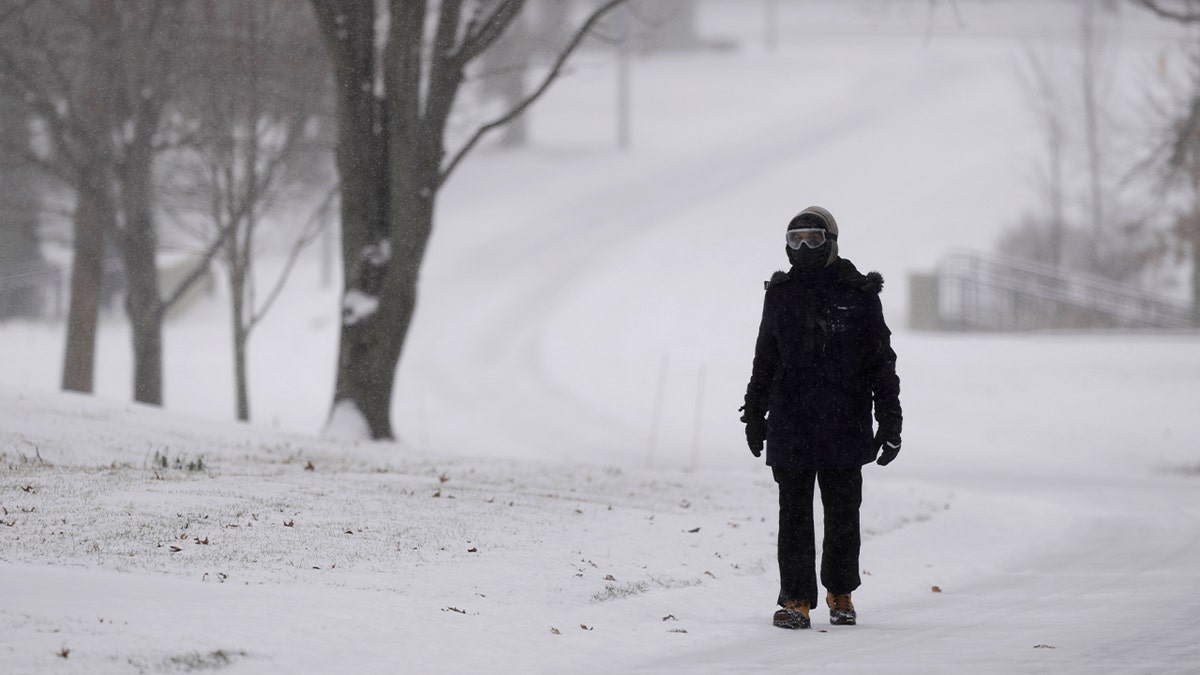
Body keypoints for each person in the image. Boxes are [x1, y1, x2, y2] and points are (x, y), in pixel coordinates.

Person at [739, 205, 902, 630]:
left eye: (813, 238)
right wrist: (755, 413)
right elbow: (764, 359)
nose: (805, 246)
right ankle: (795, 600)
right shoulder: (780, 293)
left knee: (844, 514)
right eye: (796, 239)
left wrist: (890, 420)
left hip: (844, 423)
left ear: (831, 241)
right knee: (793, 517)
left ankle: (840, 592)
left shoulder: (859, 293)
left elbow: (881, 362)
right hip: (791, 423)